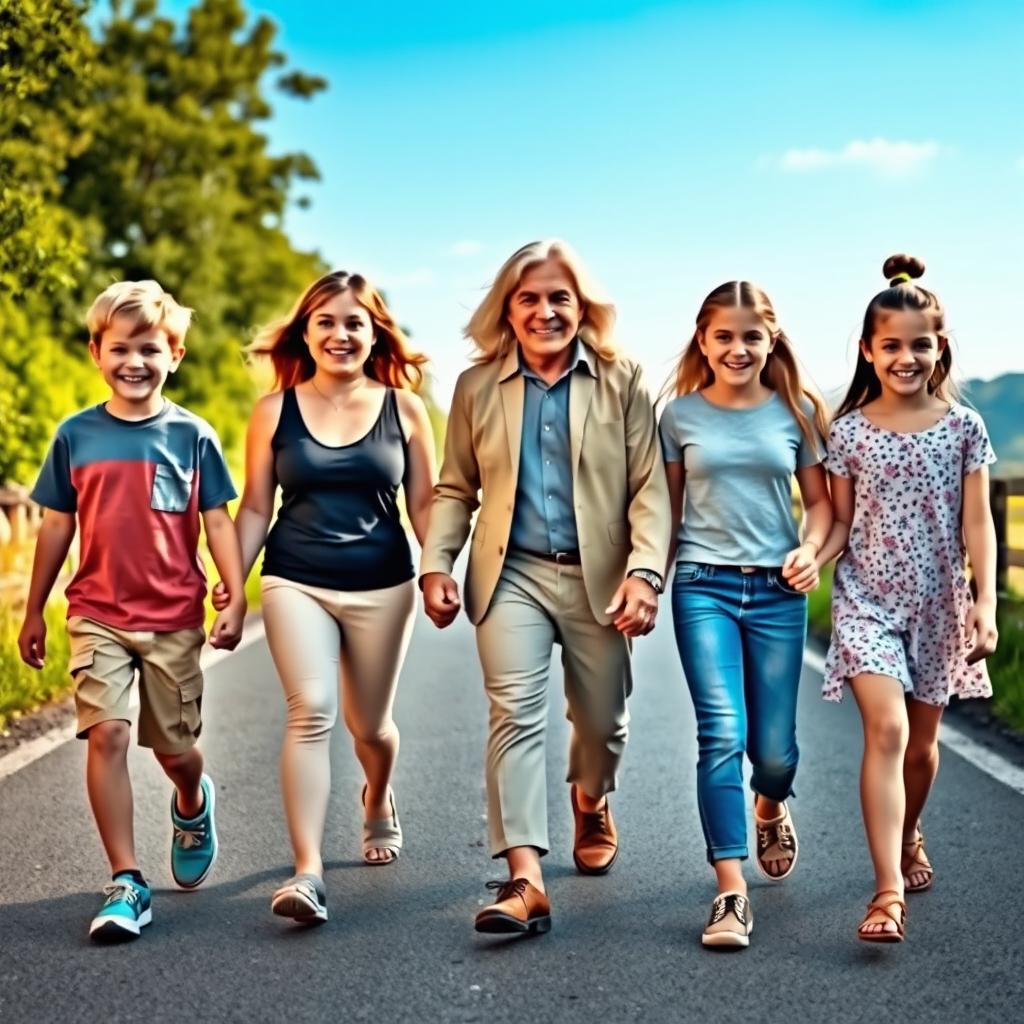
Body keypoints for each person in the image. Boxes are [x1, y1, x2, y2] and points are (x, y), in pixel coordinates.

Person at [420, 239, 670, 935]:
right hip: (513, 574)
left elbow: (650, 487)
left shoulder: (623, 379)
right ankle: (523, 878)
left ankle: (591, 797)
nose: (544, 311)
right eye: (528, 298)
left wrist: (646, 572)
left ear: (583, 306)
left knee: (601, 723)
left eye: (559, 297)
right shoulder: (476, 387)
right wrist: (437, 561)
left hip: (602, 577)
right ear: (508, 307)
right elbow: (454, 487)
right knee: (514, 716)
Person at [18, 280, 246, 941]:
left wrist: (232, 591)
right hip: (97, 613)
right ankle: (127, 879)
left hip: (174, 618)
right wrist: (34, 609)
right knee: (108, 734)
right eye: (120, 348)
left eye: (150, 348)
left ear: (174, 353)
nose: (134, 362)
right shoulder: (75, 436)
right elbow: (56, 527)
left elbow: (218, 523)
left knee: (175, 750)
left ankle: (192, 799)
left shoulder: (193, 436)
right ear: (96, 352)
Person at [214, 270, 435, 925]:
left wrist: (440, 572)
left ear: (375, 334)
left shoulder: (404, 408)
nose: (340, 334)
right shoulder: (273, 410)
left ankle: (377, 795)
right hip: (295, 577)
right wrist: (232, 592)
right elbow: (255, 506)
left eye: (354, 323)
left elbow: (425, 504)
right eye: (326, 323)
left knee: (370, 726)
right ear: (306, 333)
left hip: (383, 583)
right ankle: (307, 871)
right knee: (310, 710)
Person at [815, 254, 998, 943]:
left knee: (922, 749)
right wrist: (813, 556)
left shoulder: (963, 429)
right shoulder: (851, 431)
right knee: (887, 732)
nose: (906, 357)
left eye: (920, 344)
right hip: (867, 602)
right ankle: (887, 891)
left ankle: (910, 827)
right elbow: (836, 521)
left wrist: (984, 605)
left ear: (939, 347)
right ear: (868, 350)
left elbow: (977, 522)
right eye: (890, 345)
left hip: (939, 607)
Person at [659, 280, 832, 948]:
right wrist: (644, 577)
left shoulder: (797, 414)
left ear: (771, 340)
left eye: (750, 336)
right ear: (702, 340)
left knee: (776, 752)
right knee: (721, 731)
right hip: (702, 586)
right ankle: (730, 890)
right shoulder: (678, 418)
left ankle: (771, 803)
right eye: (723, 336)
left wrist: (810, 549)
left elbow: (818, 504)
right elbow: (665, 514)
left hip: (778, 593)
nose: (737, 348)